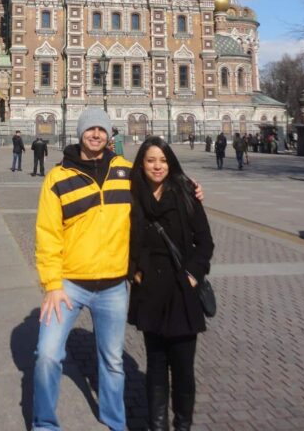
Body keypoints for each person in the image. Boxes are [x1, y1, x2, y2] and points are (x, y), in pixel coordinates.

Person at [32, 108, 205, 431]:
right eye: (90, 129)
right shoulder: (57, 177)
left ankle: (115, 422)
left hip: (113, 285)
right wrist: (52, 284)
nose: (96, 134)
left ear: (109, 135)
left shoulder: (126, 172)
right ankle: (44, 425)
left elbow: (160, 181)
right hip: (69, 283)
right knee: (46, 354)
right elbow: (47, 234)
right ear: (80, 133)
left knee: (112, 362)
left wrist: (190, 187)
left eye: (102, 129)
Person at [128, 138, 214, 431]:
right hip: (150, 291)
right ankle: (157, 426)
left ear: (170, 163)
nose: (157, 166)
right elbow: (118, 237)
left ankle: (183, 425)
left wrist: (192, 276)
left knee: (183, 369)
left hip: (181, 292)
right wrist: (134, 273)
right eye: (151, 160)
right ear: (141, 163)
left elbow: (205, 243)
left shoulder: (186, 193)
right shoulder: (133, 195)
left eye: (162, 160)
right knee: (154, 367)